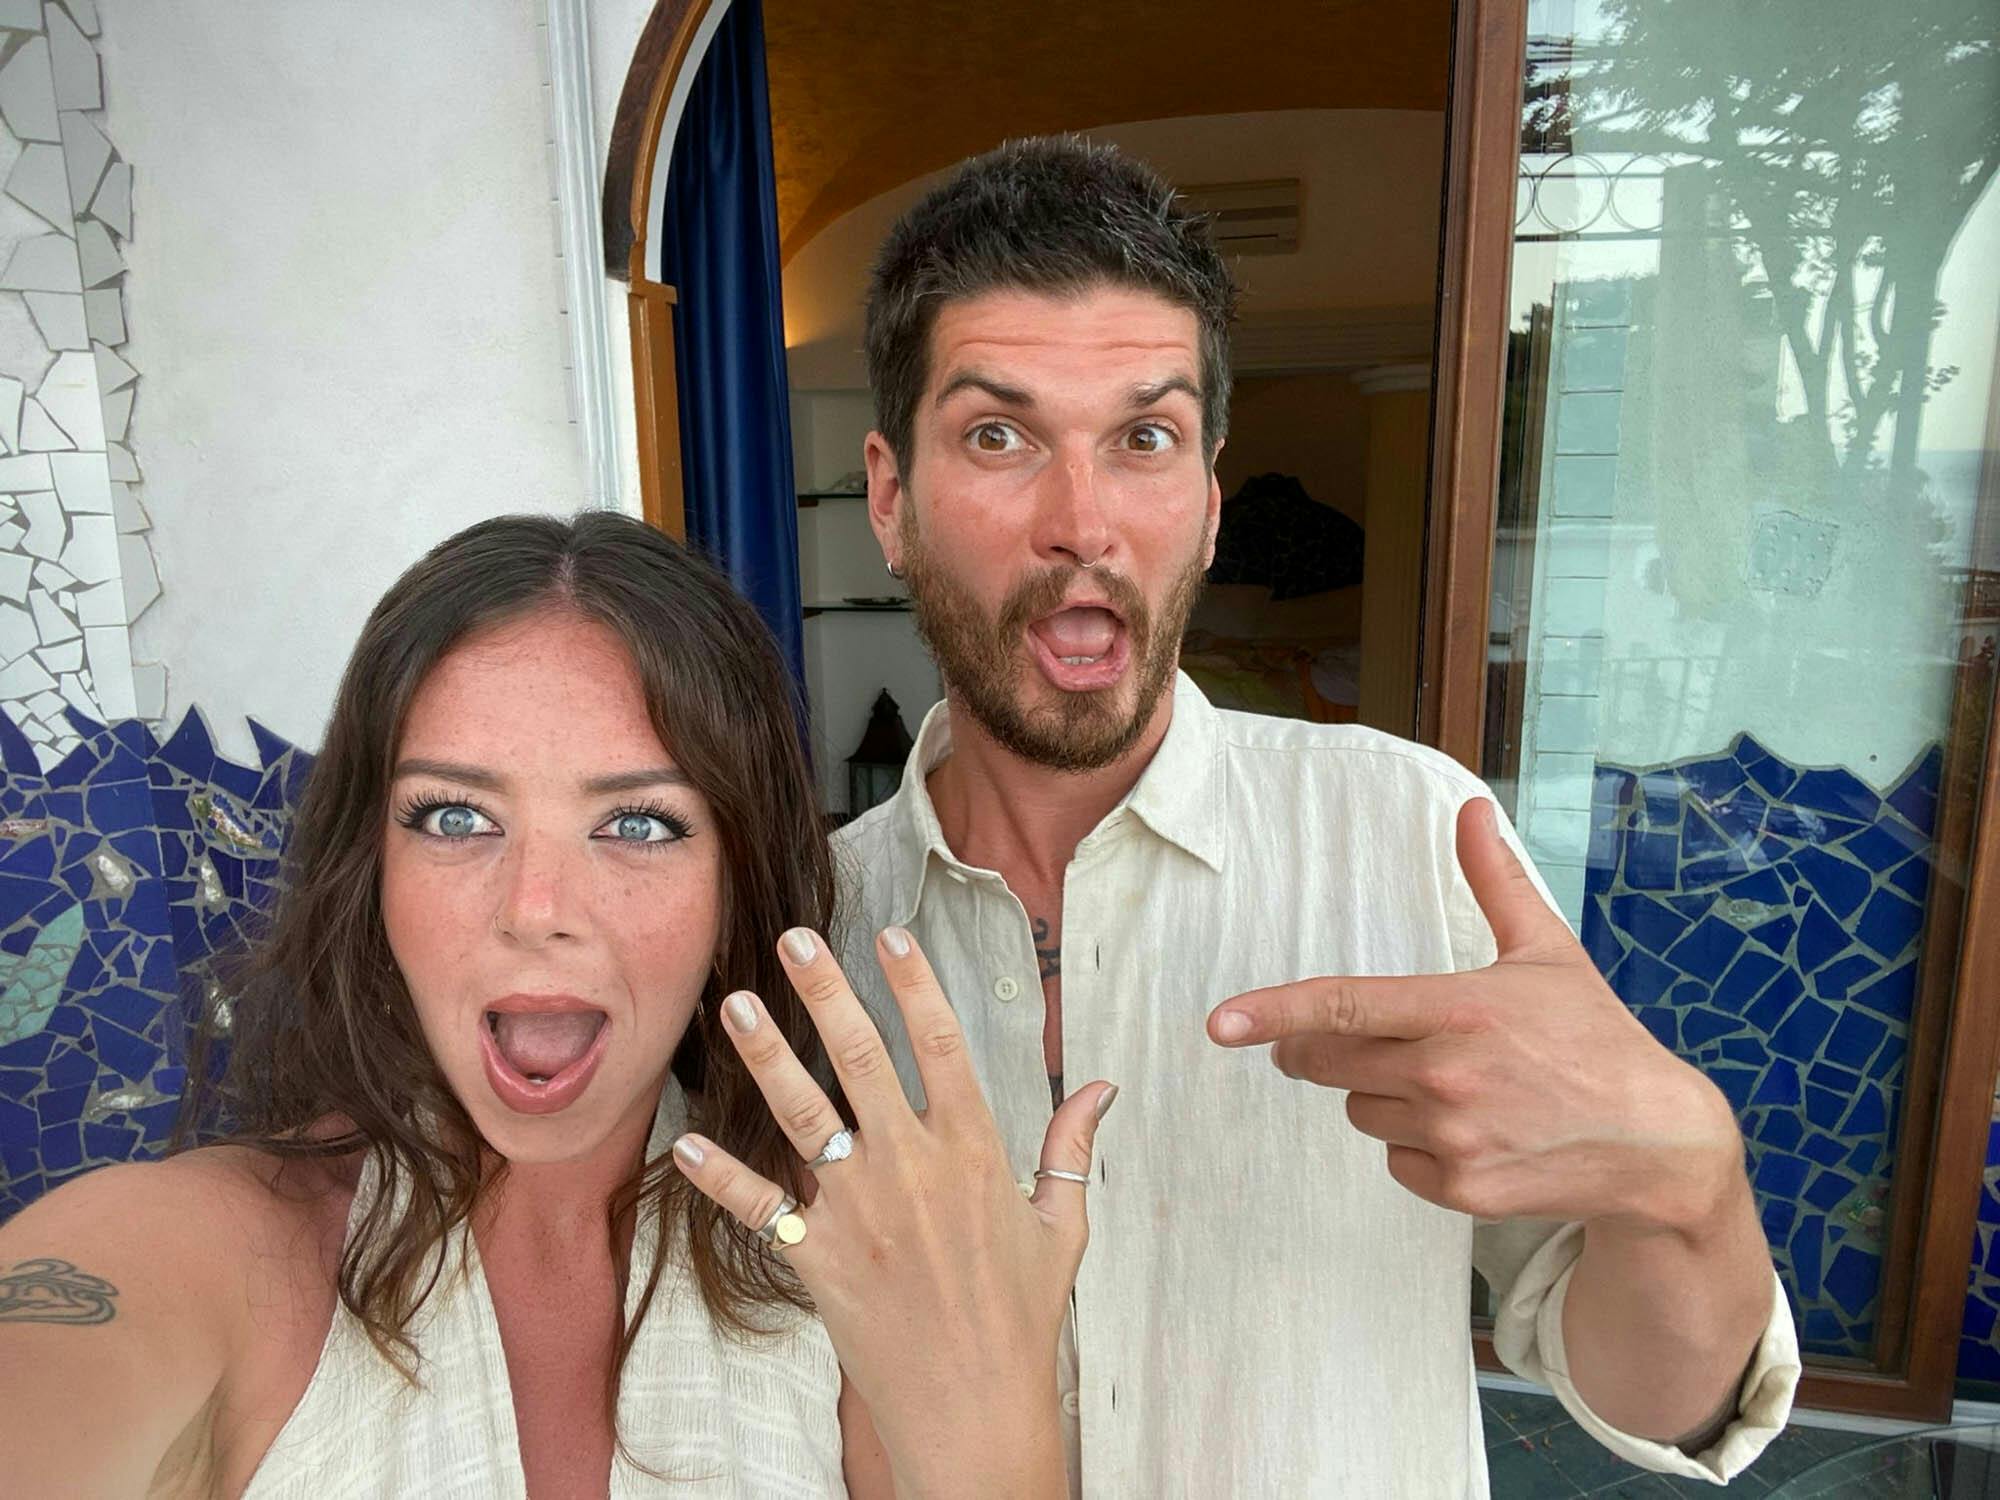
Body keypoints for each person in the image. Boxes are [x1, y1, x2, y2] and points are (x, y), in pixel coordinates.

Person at [834, 136, 1802, 1496]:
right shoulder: (806, 930)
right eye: (998, 435)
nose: (1083, 520)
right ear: (891, 496)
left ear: (1212, 501)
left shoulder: (1412, 834)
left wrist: (1691, 1188)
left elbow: (1657, 1400)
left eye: (1145, 438)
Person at [0, 512, 1111, 1497]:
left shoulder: (841, 1280)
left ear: (735, 888)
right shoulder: (205, 1248)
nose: (536, 908)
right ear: (369, 869)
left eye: (637, 825)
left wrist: (990, 1393)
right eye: (452, 817)